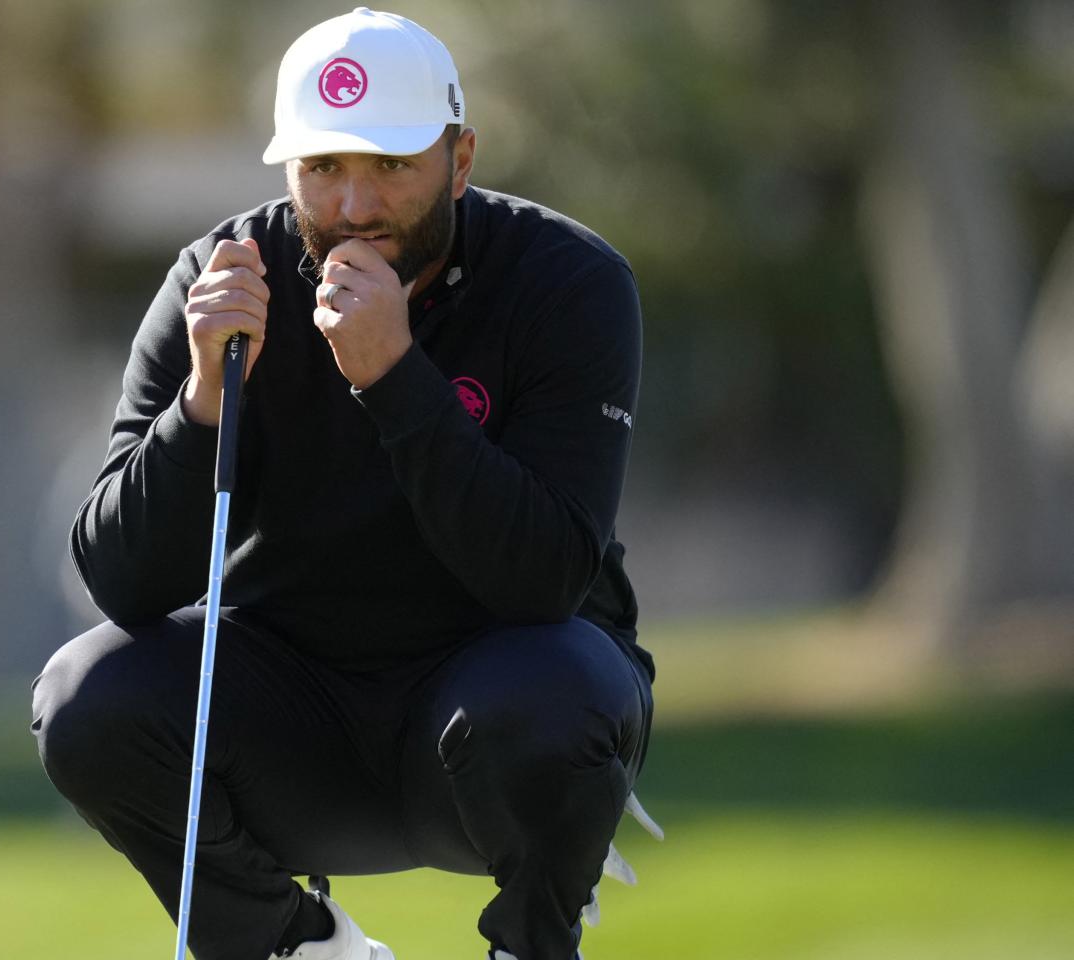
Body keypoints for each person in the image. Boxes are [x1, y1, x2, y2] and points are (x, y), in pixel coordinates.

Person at [32, 8, 659, 960]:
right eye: (323, 169)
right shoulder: (222, 279)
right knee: (87, 697)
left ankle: (531, 944)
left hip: (490, 716)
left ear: (461, 159)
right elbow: (120, 585)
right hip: (291, 724)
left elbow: (546, 578)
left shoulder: (566, 282)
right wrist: (203, 402)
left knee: (558, 690)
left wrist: (395, 380)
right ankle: (300, 945)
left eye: (391, 165)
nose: (355, 206)